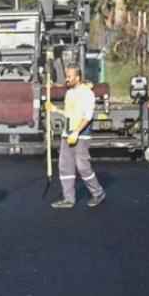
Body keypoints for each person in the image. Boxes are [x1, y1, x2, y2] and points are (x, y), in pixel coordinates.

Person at [46, 65, 106, 209]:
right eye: (66, 76)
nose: (67, 79)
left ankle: (98, 192)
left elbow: (88, 116)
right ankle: (68, 199)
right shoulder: (69, 93)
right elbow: (69, 114)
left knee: (83, 167)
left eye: (69, 77)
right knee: (65, 166)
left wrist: (77, 132)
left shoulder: (87, 94)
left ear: (78, 77)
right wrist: (55, 110)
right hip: (67, 134)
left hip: (81, 135)